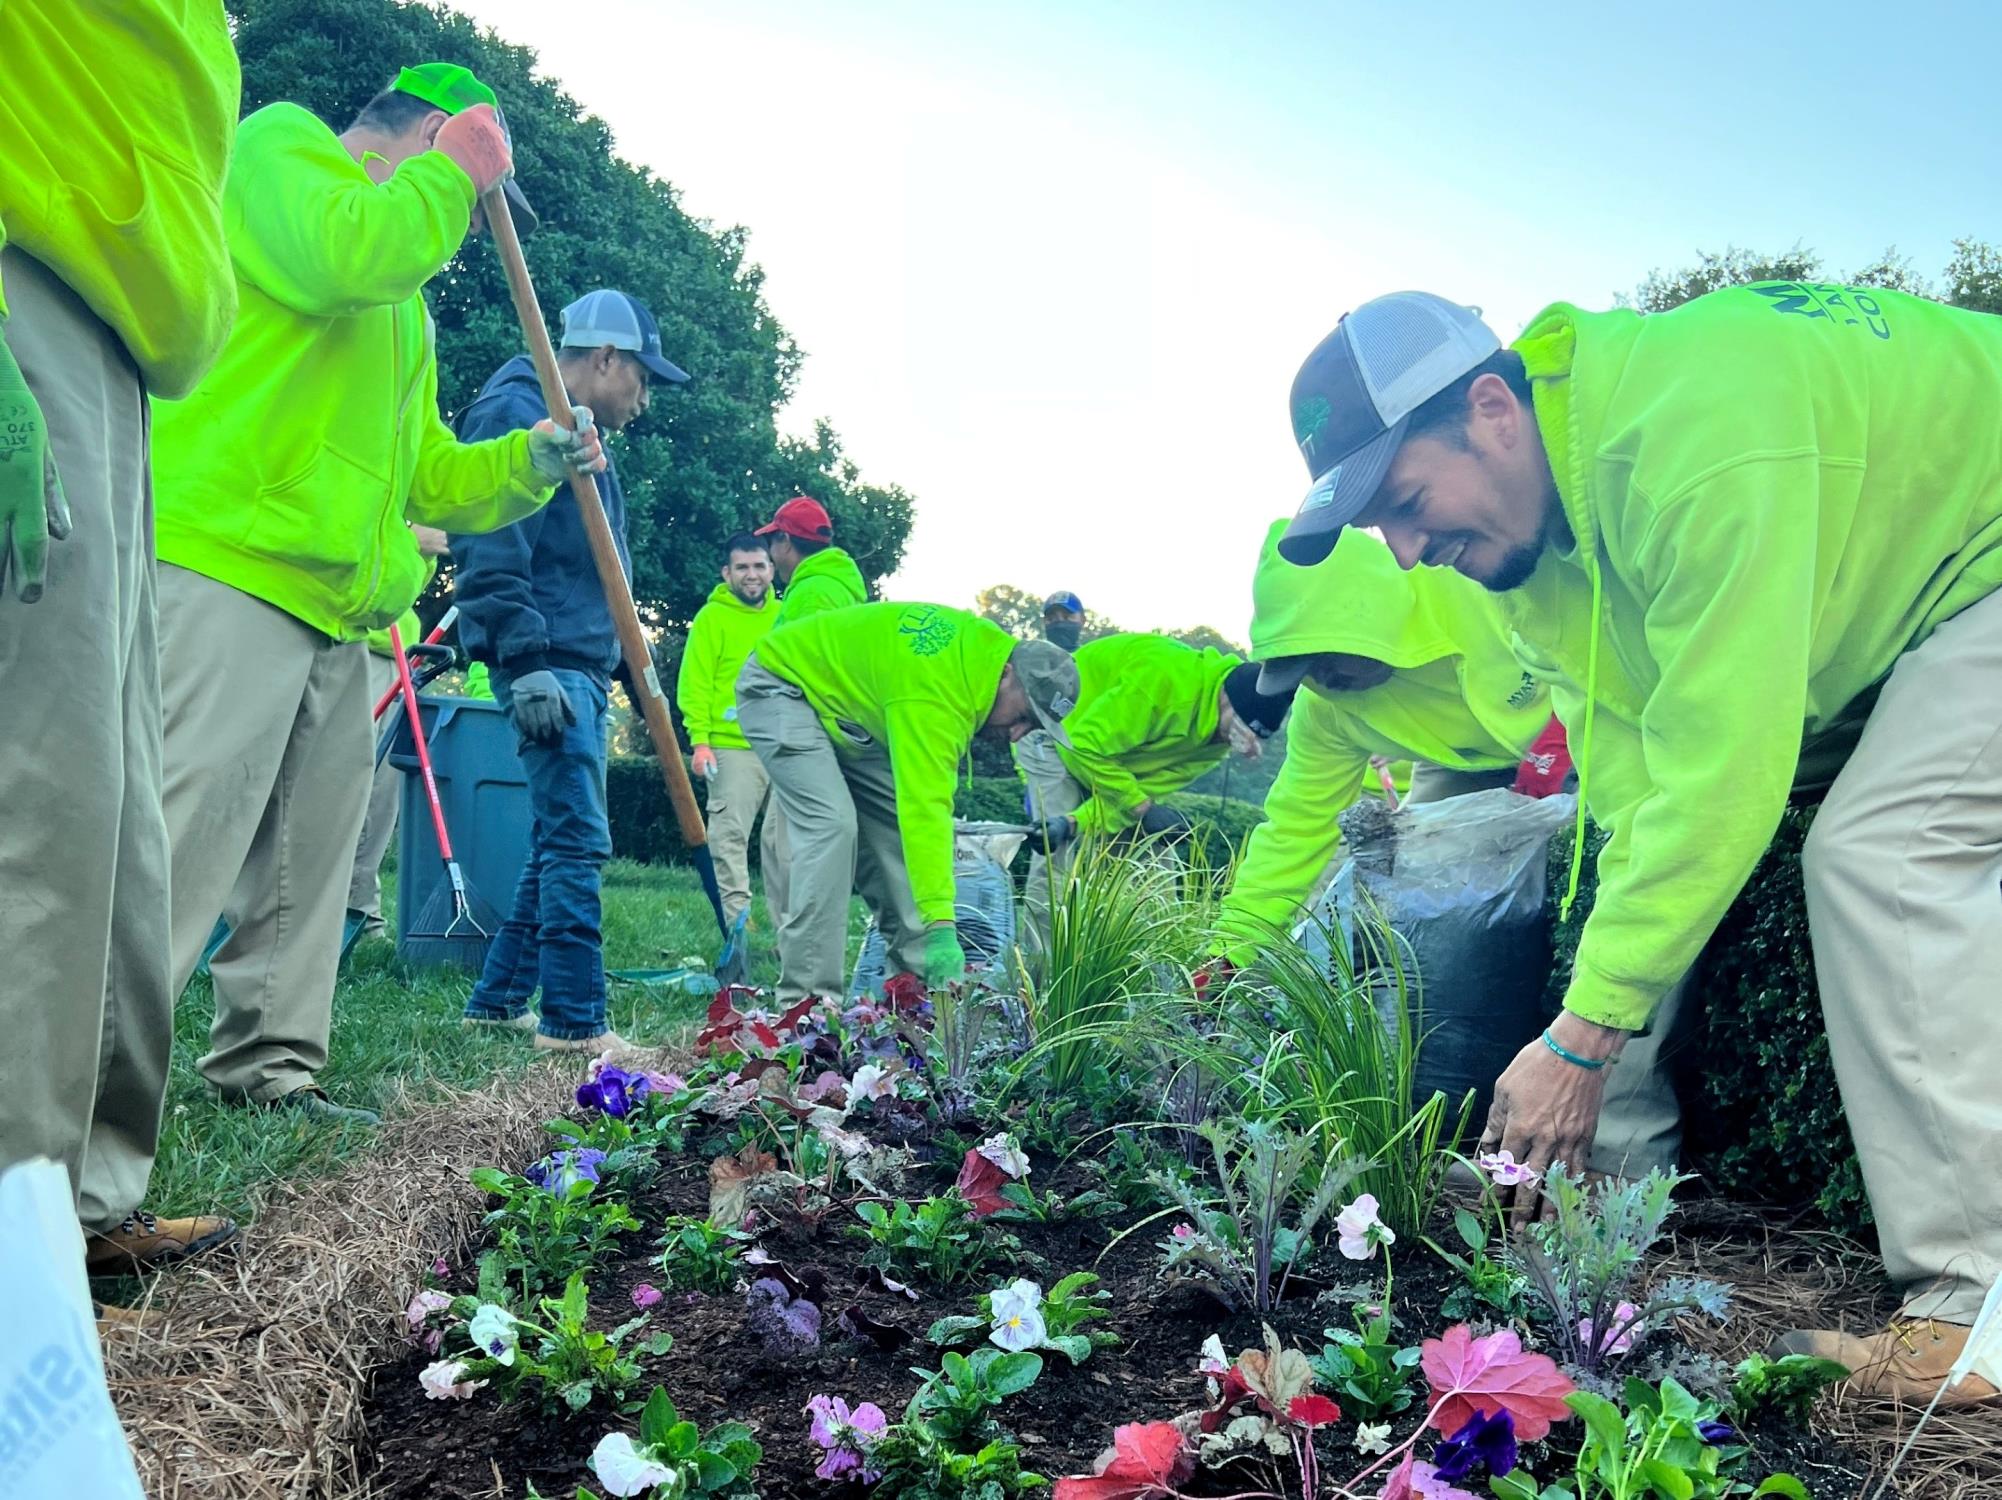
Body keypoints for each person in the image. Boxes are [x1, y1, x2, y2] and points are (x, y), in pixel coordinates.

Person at [1274, 284, 2002, 1398]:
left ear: (1490, 408)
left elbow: (1721, 774)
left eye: (1410, 501)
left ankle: (1982, 1315)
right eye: (1385, 529)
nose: (1410, 551)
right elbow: (1641, 805)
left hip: (1985, 560)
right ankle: (1608, 1186)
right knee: (1691, 863)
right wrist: (1599, 1133)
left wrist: (1573, 1045)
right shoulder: (1539, 553)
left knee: (1884, 851)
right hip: (1932, 591)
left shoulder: (1692, 434)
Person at [149, 64, 606, 1123]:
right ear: (437, 136)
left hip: (342, 610)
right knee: (174, 854)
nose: (477, 216)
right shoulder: (280, 146)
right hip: (229, 565)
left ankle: (271, 1069)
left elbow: (429, 475)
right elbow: (344, 254)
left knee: (305, 875)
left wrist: (530, 460)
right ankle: (65, 1105)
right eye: (479, 185)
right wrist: (453, 179)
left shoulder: (404, 314)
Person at [0, 0, 242, 1299]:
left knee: (114, 815)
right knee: (39, 798)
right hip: (19, 282)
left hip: (115, 354)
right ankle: (11, 1244)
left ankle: (78, 1198)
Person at [452, 288, 688, 1051]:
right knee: (578, 843)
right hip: (545, 664)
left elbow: (599, 569)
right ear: (606, 358)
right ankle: (576, 1025)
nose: (645, 397)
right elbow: (487, 544)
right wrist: (522, 663)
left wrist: (625, 667)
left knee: (557, 841)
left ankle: (497, 999)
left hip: (577, 662)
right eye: (642, 378)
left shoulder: (578, 436)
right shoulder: (519, 413)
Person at [737, 602, 1079, 1003]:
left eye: (1033, 727)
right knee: (832, 825)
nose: (1018, 734)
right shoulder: (937, 693)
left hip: (848, 714)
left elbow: (912, 827)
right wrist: (942, 928)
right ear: (1006, 675)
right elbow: (926, 810)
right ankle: (806, 1008)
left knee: (894, 840)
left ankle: (918, 1000)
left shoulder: (983, 659)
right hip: (781, 685)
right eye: (1022, 715)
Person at [1019, 632, 1294, 935]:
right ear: (1225, 699)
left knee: (1154, 865)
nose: (1228, 743)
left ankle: (1151, 973)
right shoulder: (1162, 682)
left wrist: (1074, 821)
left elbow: (1135, 798)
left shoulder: (1216, 742)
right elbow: (1084, 746)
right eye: (1232, 731)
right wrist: (1136, 804)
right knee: (1057, 856)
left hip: (1109, 759)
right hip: (1057, 728)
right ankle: (1036, 975)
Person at [347, 525, 450, 939]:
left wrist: (419, 553)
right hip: (352, 647)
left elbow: (403, 585)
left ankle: (361, 913)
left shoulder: (410, 495)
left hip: (395, 658)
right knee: (340, 791)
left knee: (379, 800)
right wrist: (409, 539)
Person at [676, 532, 779, 931]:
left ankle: (792, 927)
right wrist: (700, 742)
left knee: (789, 844)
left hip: (785, 745)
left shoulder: (785, 618)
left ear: (771, 570)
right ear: (727, 572)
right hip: (731, 747)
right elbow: (695, 683)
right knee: (729, 838)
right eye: (742, 567)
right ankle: (740, 925)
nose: (751, 575)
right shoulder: (711, 618)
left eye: (759, 566)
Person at [761, 494, 868, 624]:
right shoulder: (835, 583)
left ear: (785, 541)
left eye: (771, 543)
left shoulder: (812, 594)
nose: (770, 554)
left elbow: (806, 644)